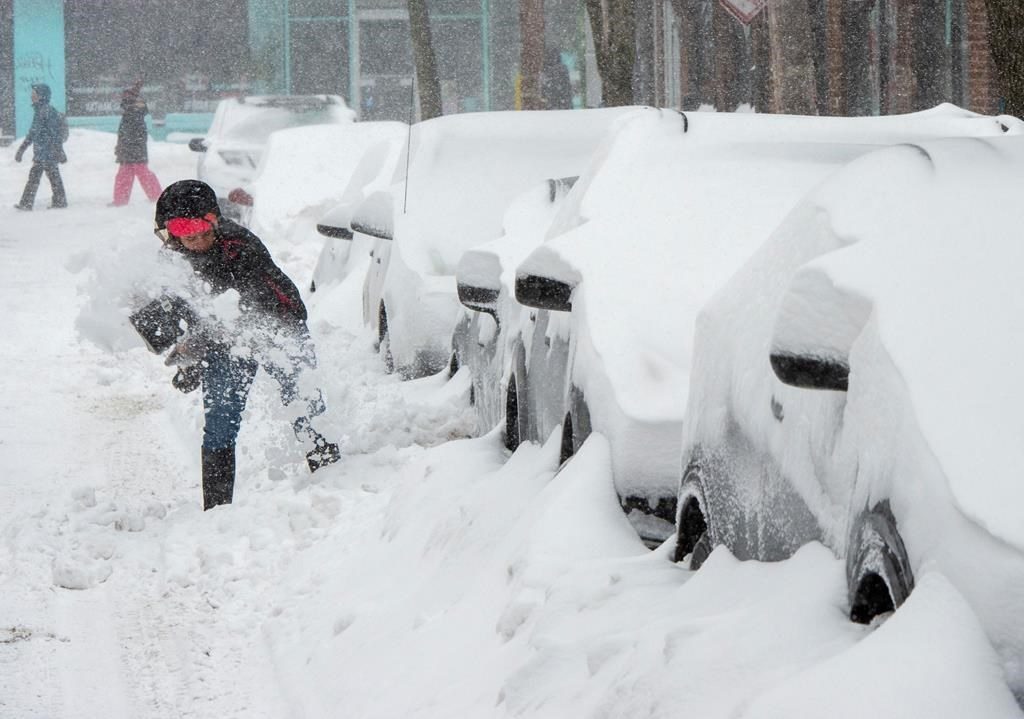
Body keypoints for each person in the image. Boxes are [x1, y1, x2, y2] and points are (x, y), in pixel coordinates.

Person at [131, 180, 340, 510]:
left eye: (203, 231)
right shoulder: (171, 260)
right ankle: (217, 511)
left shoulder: (239, 247)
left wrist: (198, 349)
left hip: (276, 326)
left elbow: (234, 310)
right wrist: (186, 353)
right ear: (170, 233)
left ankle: (334, 484)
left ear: (215, 222)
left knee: (304, 403)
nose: (197, 240)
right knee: (220, 423)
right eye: (187, 233)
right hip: (224, 341)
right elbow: (185, 315)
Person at [13, 83, 67, 210]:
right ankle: (59, 201)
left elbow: (55, 134)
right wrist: (21, 149)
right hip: (43, 152)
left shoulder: (47, 111)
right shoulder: (40, 111)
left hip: (47, 152)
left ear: (42, 96)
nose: (32, 96)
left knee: (36, 177)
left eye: (34, 94)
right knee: (51, 177)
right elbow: (33, 133)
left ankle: (27, 203)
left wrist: (58, 151)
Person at [111, 81, 162, 206]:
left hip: (132, 149)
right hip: (133, 149)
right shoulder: (133, 111)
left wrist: (123, 147)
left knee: (134, 173)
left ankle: (156, 197)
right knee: (130, 174)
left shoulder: (132, 112)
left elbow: (131, 134)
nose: (121, 98)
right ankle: (155, 196)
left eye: (125, 95)